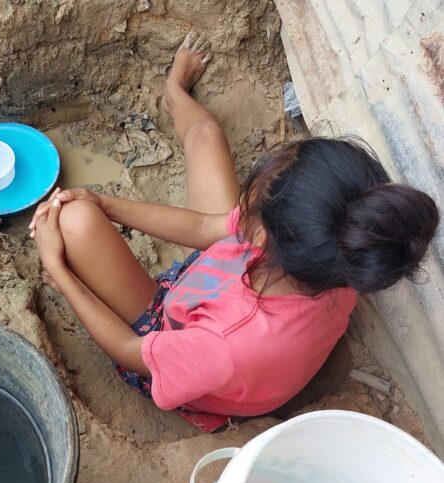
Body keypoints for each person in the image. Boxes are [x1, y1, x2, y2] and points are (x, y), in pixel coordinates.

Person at [28, 32, 440, 431]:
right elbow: (208, 227)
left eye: (263, 185)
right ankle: (176, 93)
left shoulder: (225, 345)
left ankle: (79, 258)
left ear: (258, 236)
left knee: (73, 222)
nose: (266, 169)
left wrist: (59, 272)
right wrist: (107, 204)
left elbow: (128, 351)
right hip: (225, 319)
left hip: (172, 342)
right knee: (204, 136)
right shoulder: (340, 255)